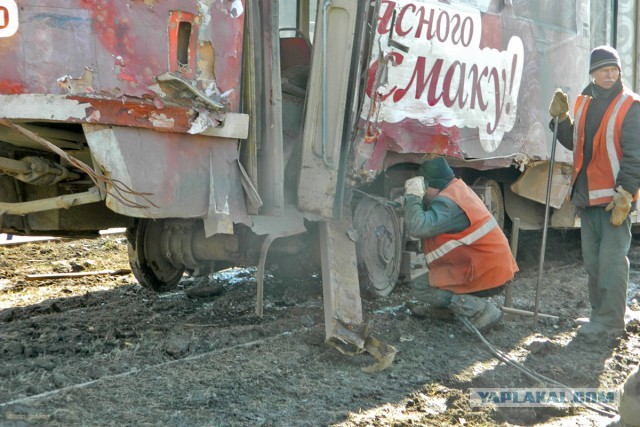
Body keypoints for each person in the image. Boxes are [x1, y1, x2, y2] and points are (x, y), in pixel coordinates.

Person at [548, 45, 640, 342]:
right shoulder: (584, 103)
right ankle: (599, 314)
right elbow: (577, 144)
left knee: (612, 261)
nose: (610, 74)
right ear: (593, 74)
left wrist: (626, 193)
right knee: (593, 262)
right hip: (587, 197)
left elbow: (635, 156)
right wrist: (561, 120)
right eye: (604, 70)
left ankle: (611, 322)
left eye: (614, 69)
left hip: (615, 199)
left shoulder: (631, 105)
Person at [403, 157, 519, 331]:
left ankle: (482, 310)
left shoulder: (447, 204)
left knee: (422, 287)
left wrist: (412, 198)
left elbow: (418, 227)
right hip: (485, 266)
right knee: (425, 283)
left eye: (423, 189)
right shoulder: (456, 190)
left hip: (485, 272)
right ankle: (450, 311)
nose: (422, 193)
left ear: (432, 186)